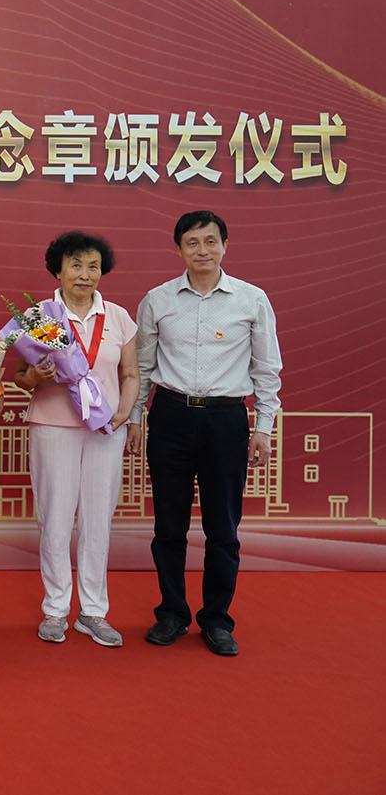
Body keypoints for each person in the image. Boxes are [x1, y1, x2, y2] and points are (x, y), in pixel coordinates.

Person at [133, 210, 281, 657]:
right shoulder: (157, 300)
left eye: (211, 241)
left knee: (223, 528)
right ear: (179, 249)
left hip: (226, 420)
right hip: (170, 417)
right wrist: (136, 418)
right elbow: (142, 368)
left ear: (225, 246)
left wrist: (263, 428)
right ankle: (172, 614)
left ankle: (216, 619)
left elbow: (266, 369)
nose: (203, 250)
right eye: (193, 242)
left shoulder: (251, 300)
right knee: (168, 525)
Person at [14, 232, 138, 647]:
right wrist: (37, 376)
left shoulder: (118, 317)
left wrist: (124, 411)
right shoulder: (38, 316)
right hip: (53, 427)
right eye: (76, 266)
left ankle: (93, 612)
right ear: (58, 271)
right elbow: (20, 378)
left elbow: (131, 374)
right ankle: (55, 609)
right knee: (54, 518)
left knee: (98, 519)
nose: (84, 275)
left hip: (105, 429)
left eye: (93, 267)